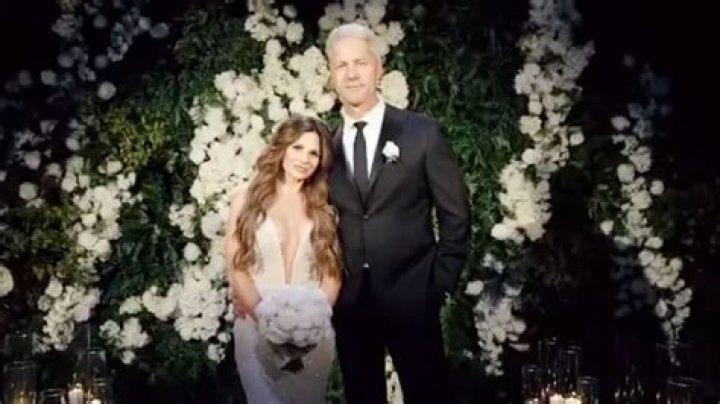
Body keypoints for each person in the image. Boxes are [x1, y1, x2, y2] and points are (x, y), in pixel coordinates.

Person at [326, 23, 471, 404]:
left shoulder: (420, 133)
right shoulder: (325, 147)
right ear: (331, 76)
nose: (351, 73)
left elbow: (456, 213)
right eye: (341, 65)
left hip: (413, 296)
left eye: (360, 62)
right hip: (351, 305)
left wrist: (439, 284)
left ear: (379, 67)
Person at [225, 115, 342, 404]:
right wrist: (268, 323)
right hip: (256, 327)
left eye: (314, 153)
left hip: (311, 338)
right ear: (282, 147)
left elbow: (332, 275)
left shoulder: (324, 207)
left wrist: (312, 324)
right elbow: (236, 268)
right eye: (297, 147)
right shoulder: (246, 199)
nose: (304, 159)